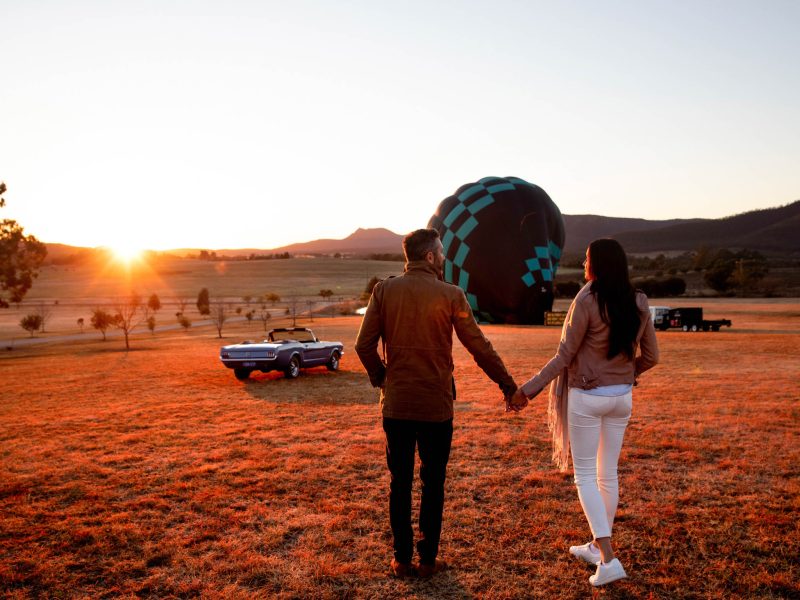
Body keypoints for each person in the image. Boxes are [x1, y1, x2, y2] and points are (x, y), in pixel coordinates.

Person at [355, 228, 518, 579]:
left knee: (399, 482)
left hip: (396, 405)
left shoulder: (384, 291)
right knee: (433, 483)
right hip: (436, 407)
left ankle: (401, 559)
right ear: (430, 257)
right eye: (441, 253)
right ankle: (428, 560)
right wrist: (506, 384)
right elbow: (479, 346)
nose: (444, 258)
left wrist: (381, 377)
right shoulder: (451, 295)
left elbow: (363, 345)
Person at [510, 238, 659, 587]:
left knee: (586, 477)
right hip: (622, 398)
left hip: (588, 396)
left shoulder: (587, 298)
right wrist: (626, 373)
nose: (583, 266)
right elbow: (652, 356)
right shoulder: (639, 301)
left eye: (587, 260)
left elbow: (564, 356)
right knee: (608, 474)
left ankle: (608, 559)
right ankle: (595, 545)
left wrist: (527, 391)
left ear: (595, 265)